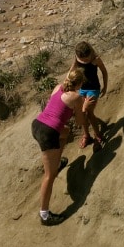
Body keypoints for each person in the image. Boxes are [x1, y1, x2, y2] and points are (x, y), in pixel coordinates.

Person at [31, 68, 87, 225]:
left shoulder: (57, 87)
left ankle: (57, 162)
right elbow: (80, 121)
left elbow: (56, 107)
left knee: (66, 131)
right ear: (80, 83)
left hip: (37, 124)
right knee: (49, 176)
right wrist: (84, 107)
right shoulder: (76, 97)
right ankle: (44, 215)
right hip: (48, 133)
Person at [71, 41, 108, 149]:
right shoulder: (77, 58)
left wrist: (105, 87)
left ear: (90, 53)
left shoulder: (95, 59)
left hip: (93, 88)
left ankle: (98, 135)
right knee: (81, 113)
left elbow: (104, 72)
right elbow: (71, 70)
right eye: (82, 59)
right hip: (82, 89)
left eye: (86, 59)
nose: (84, 61)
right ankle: (86, 135)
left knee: (87, 111)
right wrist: (67, 84)